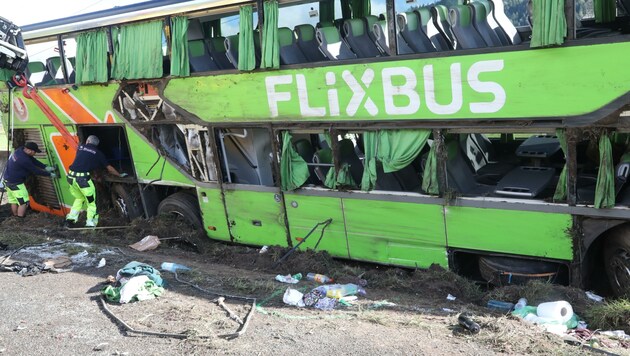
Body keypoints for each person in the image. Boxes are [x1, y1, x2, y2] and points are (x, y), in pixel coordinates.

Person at [66, 135, 127, 227]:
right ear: (97, 145)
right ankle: (90, 223)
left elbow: (84, 158)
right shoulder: (98, 153)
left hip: (70, 178)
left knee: (79, 198)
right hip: (82, 181)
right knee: (91, 202)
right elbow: (109, 168)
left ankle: (70, 220)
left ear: (87, 141)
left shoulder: (80, 147)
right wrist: (119, 175)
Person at [2, 142, 57, 218]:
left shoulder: (20, 150)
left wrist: (45, 167)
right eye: (35, 152)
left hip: (7, 180)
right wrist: (49, 174)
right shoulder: (24, 160)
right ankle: (20, 219)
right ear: (29, 150)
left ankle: (15, 216)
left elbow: (33, 160)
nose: (35, 154)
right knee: (24, 202)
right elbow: (35, 171)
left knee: (14, 200)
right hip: (15, 184)